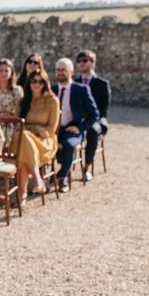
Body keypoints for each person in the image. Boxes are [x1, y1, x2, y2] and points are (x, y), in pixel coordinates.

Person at [51, 58, 100, 193]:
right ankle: (42, 177)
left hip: (72, 129)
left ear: (71, 72)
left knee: (69, 145)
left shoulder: (82, 89)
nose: (60, 72)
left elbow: (94, 114)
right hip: (53, 130)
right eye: (58, 70)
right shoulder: (51, 90)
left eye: (63, 70)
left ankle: (62, 176)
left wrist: (80, 128)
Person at [16, 70, 60, 204]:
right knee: (24, 140)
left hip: (44, 141)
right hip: (25, 138)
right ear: (29, 82)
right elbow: (18, 125)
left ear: (45, 83)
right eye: (33, 81)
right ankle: (37, 178)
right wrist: (35, 128)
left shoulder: (52, 101)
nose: (36, 84)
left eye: (40, 81)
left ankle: (22, 195)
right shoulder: (23, 101)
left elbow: (51, 130)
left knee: (23, 153)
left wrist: (30, 127)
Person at [74, 50, 111, 181]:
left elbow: (103, 109)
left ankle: (87, 167)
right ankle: (64, 169)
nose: (81, 63)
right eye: (79, 61)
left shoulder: (102, 84)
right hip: (77, 119)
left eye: (84, 60)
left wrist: (88, 119)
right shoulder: (74, 82)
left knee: (92, 130)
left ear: (92, 63)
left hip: (96, 119)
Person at [0, 58, 24, 151]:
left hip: (11, 124)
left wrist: (6, 117)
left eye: (6, 71)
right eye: (0, 70)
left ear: (11, 73)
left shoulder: (17, 91)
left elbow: (19, 113)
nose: (3, 73)